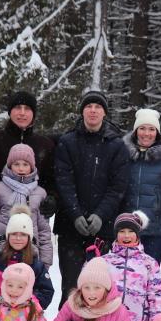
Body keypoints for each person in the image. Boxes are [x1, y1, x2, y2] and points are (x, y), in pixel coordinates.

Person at [54, 89, 130, 300]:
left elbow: (118, 187)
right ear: (82, 112)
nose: (93, 111)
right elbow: (63, 181)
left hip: (103, 230)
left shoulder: (117, 145)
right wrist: (75, 213)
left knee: (99, 288)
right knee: (71, 287)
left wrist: (100, 214)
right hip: (71, 227)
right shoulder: (68, 141)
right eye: (89, 106)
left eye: (98, 107)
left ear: (104, 113)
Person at [0, 89, 56, 211]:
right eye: (18, 108)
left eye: (27, 109)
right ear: (10, 111)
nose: (22, 113)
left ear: (33, 113)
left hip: (31, 219)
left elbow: (50, 182)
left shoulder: (45, 145)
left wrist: (51, 198)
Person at [102, 211, 161, 321]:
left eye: (131, 231)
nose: (126, 236)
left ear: (137, 235)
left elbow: (156, 296)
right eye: (122, 231)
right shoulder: (104, 261)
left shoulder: (149, 263)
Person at [0, 205, 55, 315]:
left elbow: (46, 292)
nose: (18, 238)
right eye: (14, 234)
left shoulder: (36, 266)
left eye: (23, 234)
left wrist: (29, 304)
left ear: (29, 238)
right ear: (8, 236)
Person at [0, 143, 53, 266]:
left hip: (30, 254)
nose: (21, 168)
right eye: (16, 164)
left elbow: (44, 231)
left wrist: (45, 263)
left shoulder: (40, 192)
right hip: (1, 253)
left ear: (32, 166)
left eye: (25, 164)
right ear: (9, 166)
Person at [121, 108, 161, 262]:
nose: (146, 133)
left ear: (157, 133)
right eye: (142, 128)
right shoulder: (123, 156)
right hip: (127, 229)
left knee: (149, 279)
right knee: (126, 278)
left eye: (151, 129)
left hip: (155, 230)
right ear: (135, 131)